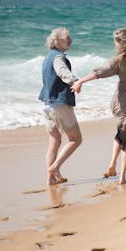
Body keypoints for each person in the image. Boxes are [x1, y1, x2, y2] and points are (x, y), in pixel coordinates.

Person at [72, 29, 126, 185]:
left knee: (121, 133)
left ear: (120, 43)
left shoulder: (118, 60)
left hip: (121, 103)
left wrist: (80, 81)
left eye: (115, 42)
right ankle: (122, 177)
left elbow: (99, 73)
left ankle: (112, 164)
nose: (115, 45)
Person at [39, 27, 82, 186]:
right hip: (59, 106)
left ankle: (50, 180)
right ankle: (55, 168)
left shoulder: (47, 58)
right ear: (57, 41)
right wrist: (75, 81)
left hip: (47, 105)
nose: (70, 40)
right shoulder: (57, 57)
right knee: (76, 139)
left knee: (54, 142)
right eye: (67, 38)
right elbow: (62, 72)